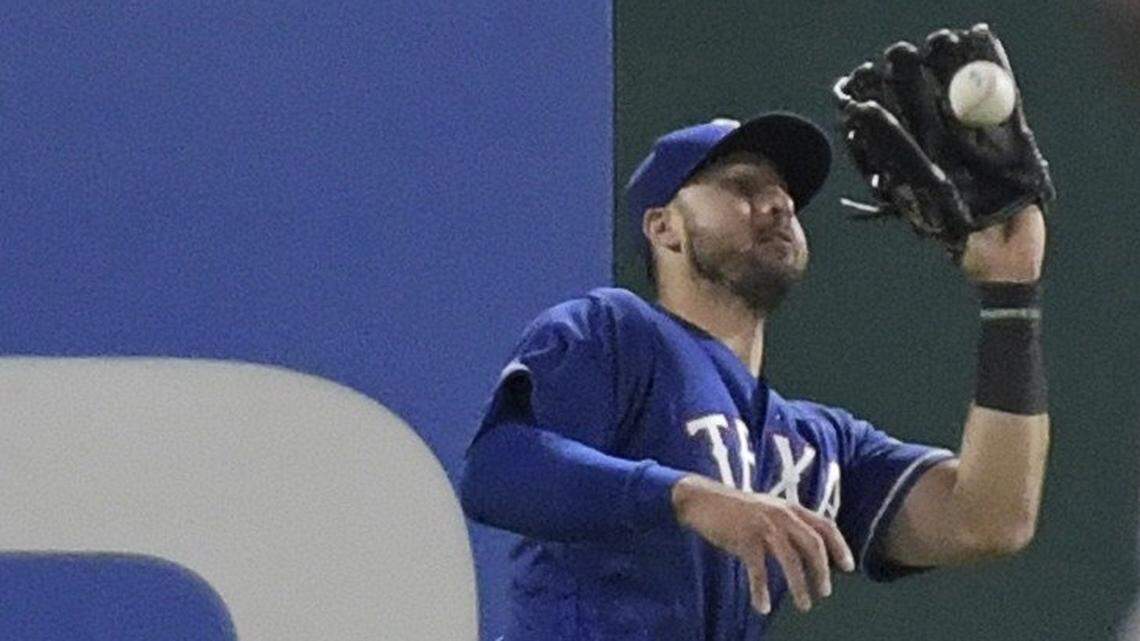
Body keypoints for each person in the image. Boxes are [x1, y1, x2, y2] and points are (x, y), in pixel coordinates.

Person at [459, 111, 1050, 639]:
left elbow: (988, 518)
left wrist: (1011, 293)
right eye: (741, 187)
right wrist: (685, 496)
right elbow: (497, 470)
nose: (778, 204)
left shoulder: (816, 444)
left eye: (785, 194)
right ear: (663, 226)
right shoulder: (616, 331)